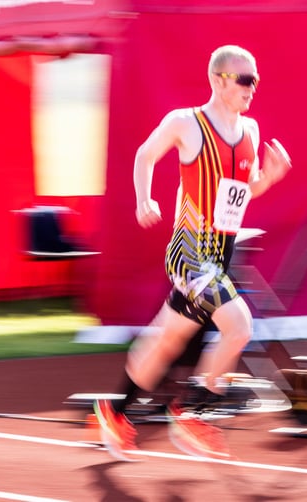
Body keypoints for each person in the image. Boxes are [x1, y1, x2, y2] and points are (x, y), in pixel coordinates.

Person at [94, 44, 292, 461]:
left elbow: (243, 191)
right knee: (239, 326)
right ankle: (190, 412)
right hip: (190, 252)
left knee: (165, 342)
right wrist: (143, 200)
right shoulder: (187, 122)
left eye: (256, 80)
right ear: (219, 80)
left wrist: (268, 180)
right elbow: (144, 155)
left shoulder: (251, 131)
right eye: (245, 80)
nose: (252, 88)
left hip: (218, 257)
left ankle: (115, 411)